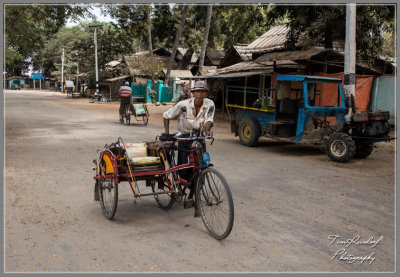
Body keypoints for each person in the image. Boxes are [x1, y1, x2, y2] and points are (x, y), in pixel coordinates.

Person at [162, 80, 215, 204]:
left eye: (202, 91)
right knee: (184, 166)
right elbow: (166, 115)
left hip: (199, 137)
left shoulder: (210, 104)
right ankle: (180, 185)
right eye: (197, 91)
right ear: (193, 93)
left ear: (206, 93)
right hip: (184, 136)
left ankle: (193, 194)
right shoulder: (183, 104)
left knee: (201, 165)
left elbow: (209, 119)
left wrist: (207, 130)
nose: (200, 94)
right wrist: (166, 131)